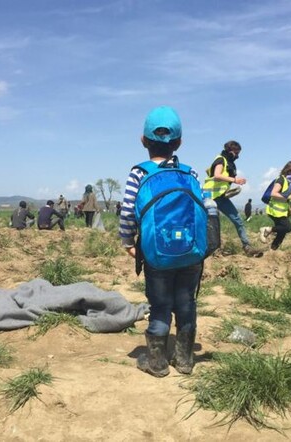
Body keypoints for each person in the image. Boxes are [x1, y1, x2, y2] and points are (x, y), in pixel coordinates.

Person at [119, 106, 202, 377]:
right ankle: (186, 359)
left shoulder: (139, 174)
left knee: (160, 305)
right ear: (179, 143)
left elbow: (128, 211)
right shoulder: (191, 174)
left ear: (143, 140)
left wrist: (128, 241)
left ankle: (157, 362)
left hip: (155, 253)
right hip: (191, 253)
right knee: (186, 302)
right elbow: (206, 210)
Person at [202, 141, 262, 257]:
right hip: (210, 198)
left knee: (238, 220)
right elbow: (217, 175)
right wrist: (235, 180)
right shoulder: (221, 159)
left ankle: (247, 247)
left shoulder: (229, 163)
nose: (237, 156)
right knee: (211, 225)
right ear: (230, 151)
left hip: (221, 197)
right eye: (236, 153)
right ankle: (208, 249)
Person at [259, 161, 291, 250]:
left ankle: (273, 250)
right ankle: (267, 230)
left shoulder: (290, 183)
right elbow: (273, 193)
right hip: (274, 210)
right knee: (288, 227)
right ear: (289, 171)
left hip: (281, 212)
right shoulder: (281, 180)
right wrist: (288, 196)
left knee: (282, 231)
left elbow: (288, 199)